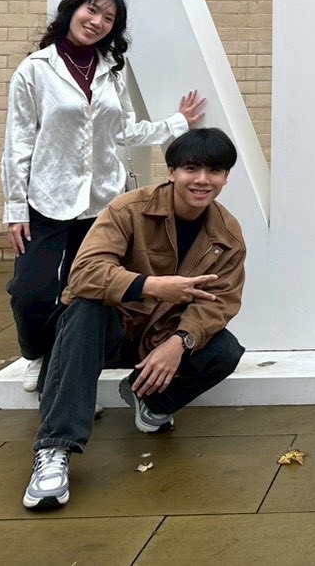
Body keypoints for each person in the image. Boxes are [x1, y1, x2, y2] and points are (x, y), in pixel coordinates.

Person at [22, 127, 247, 510]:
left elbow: (220, 302)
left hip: (159, 338)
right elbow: (84, 274)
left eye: (214, 171)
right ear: (172, 171)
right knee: (84, 308)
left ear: (226, 177)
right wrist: (152, 286)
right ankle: (55, 448)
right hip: (105, 333)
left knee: (225, 350)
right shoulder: (128, 210)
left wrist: (180, 342)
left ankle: (149, 400)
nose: (202, 180)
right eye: (191, 168)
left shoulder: (226, 234)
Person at [2, 0, 205, 392]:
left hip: (102, 202)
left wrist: (177, 123)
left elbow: (124, 130)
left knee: (84, 291)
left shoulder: (112, 70)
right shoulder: (35, 69)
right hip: (48, 197)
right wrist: (15, 207)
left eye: (108, 18)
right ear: (72, 10)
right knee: (30, 290)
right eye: (91, 10)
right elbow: (18, 142)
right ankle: (35, 351)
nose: (97, 22)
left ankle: (64, 363)